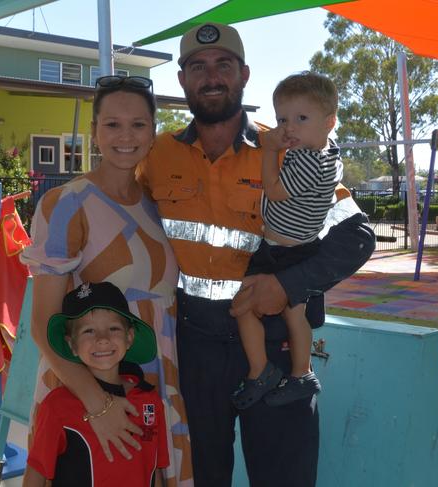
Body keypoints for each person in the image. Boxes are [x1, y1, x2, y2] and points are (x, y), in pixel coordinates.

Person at [137, 22, 375, 487]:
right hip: (193, 348)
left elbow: (358, 235)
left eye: (223, 65)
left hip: (276, 346)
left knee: (284, 476)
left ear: (244, 75)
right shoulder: (157, 156)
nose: (211, 77)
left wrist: (285, 286)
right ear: (182, 79)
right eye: (197, 67)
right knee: (201, 476)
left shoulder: (288, 146)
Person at [21, 75, 192, 486]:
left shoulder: (157, 204)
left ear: (153, 131)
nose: (125, 136)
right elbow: (43, 325)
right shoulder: (66, 204)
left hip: (154, 380)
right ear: (94, 131)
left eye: (138, 124)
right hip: (89, 388)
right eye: (112, 124)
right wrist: (99, 405)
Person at [231, 72, 345, 410]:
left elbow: (276, 190)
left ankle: (265, 371)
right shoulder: (321, 150)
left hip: (286, 253)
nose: (289, 127)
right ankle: (299, 373)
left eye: (301, 118)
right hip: (291, 248)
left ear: (329, 122)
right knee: (294, 316)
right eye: (283, 119)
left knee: (243, 306)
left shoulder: (314, 161)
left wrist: (268, 150)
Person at [23, 281, 168, 487]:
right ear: (71, 344)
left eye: (113, 328)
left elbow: (156, 470)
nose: (102, 339)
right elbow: (36, 470)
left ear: (129, 337)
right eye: (89, 331)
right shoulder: (56, 406)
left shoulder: (150, 401)